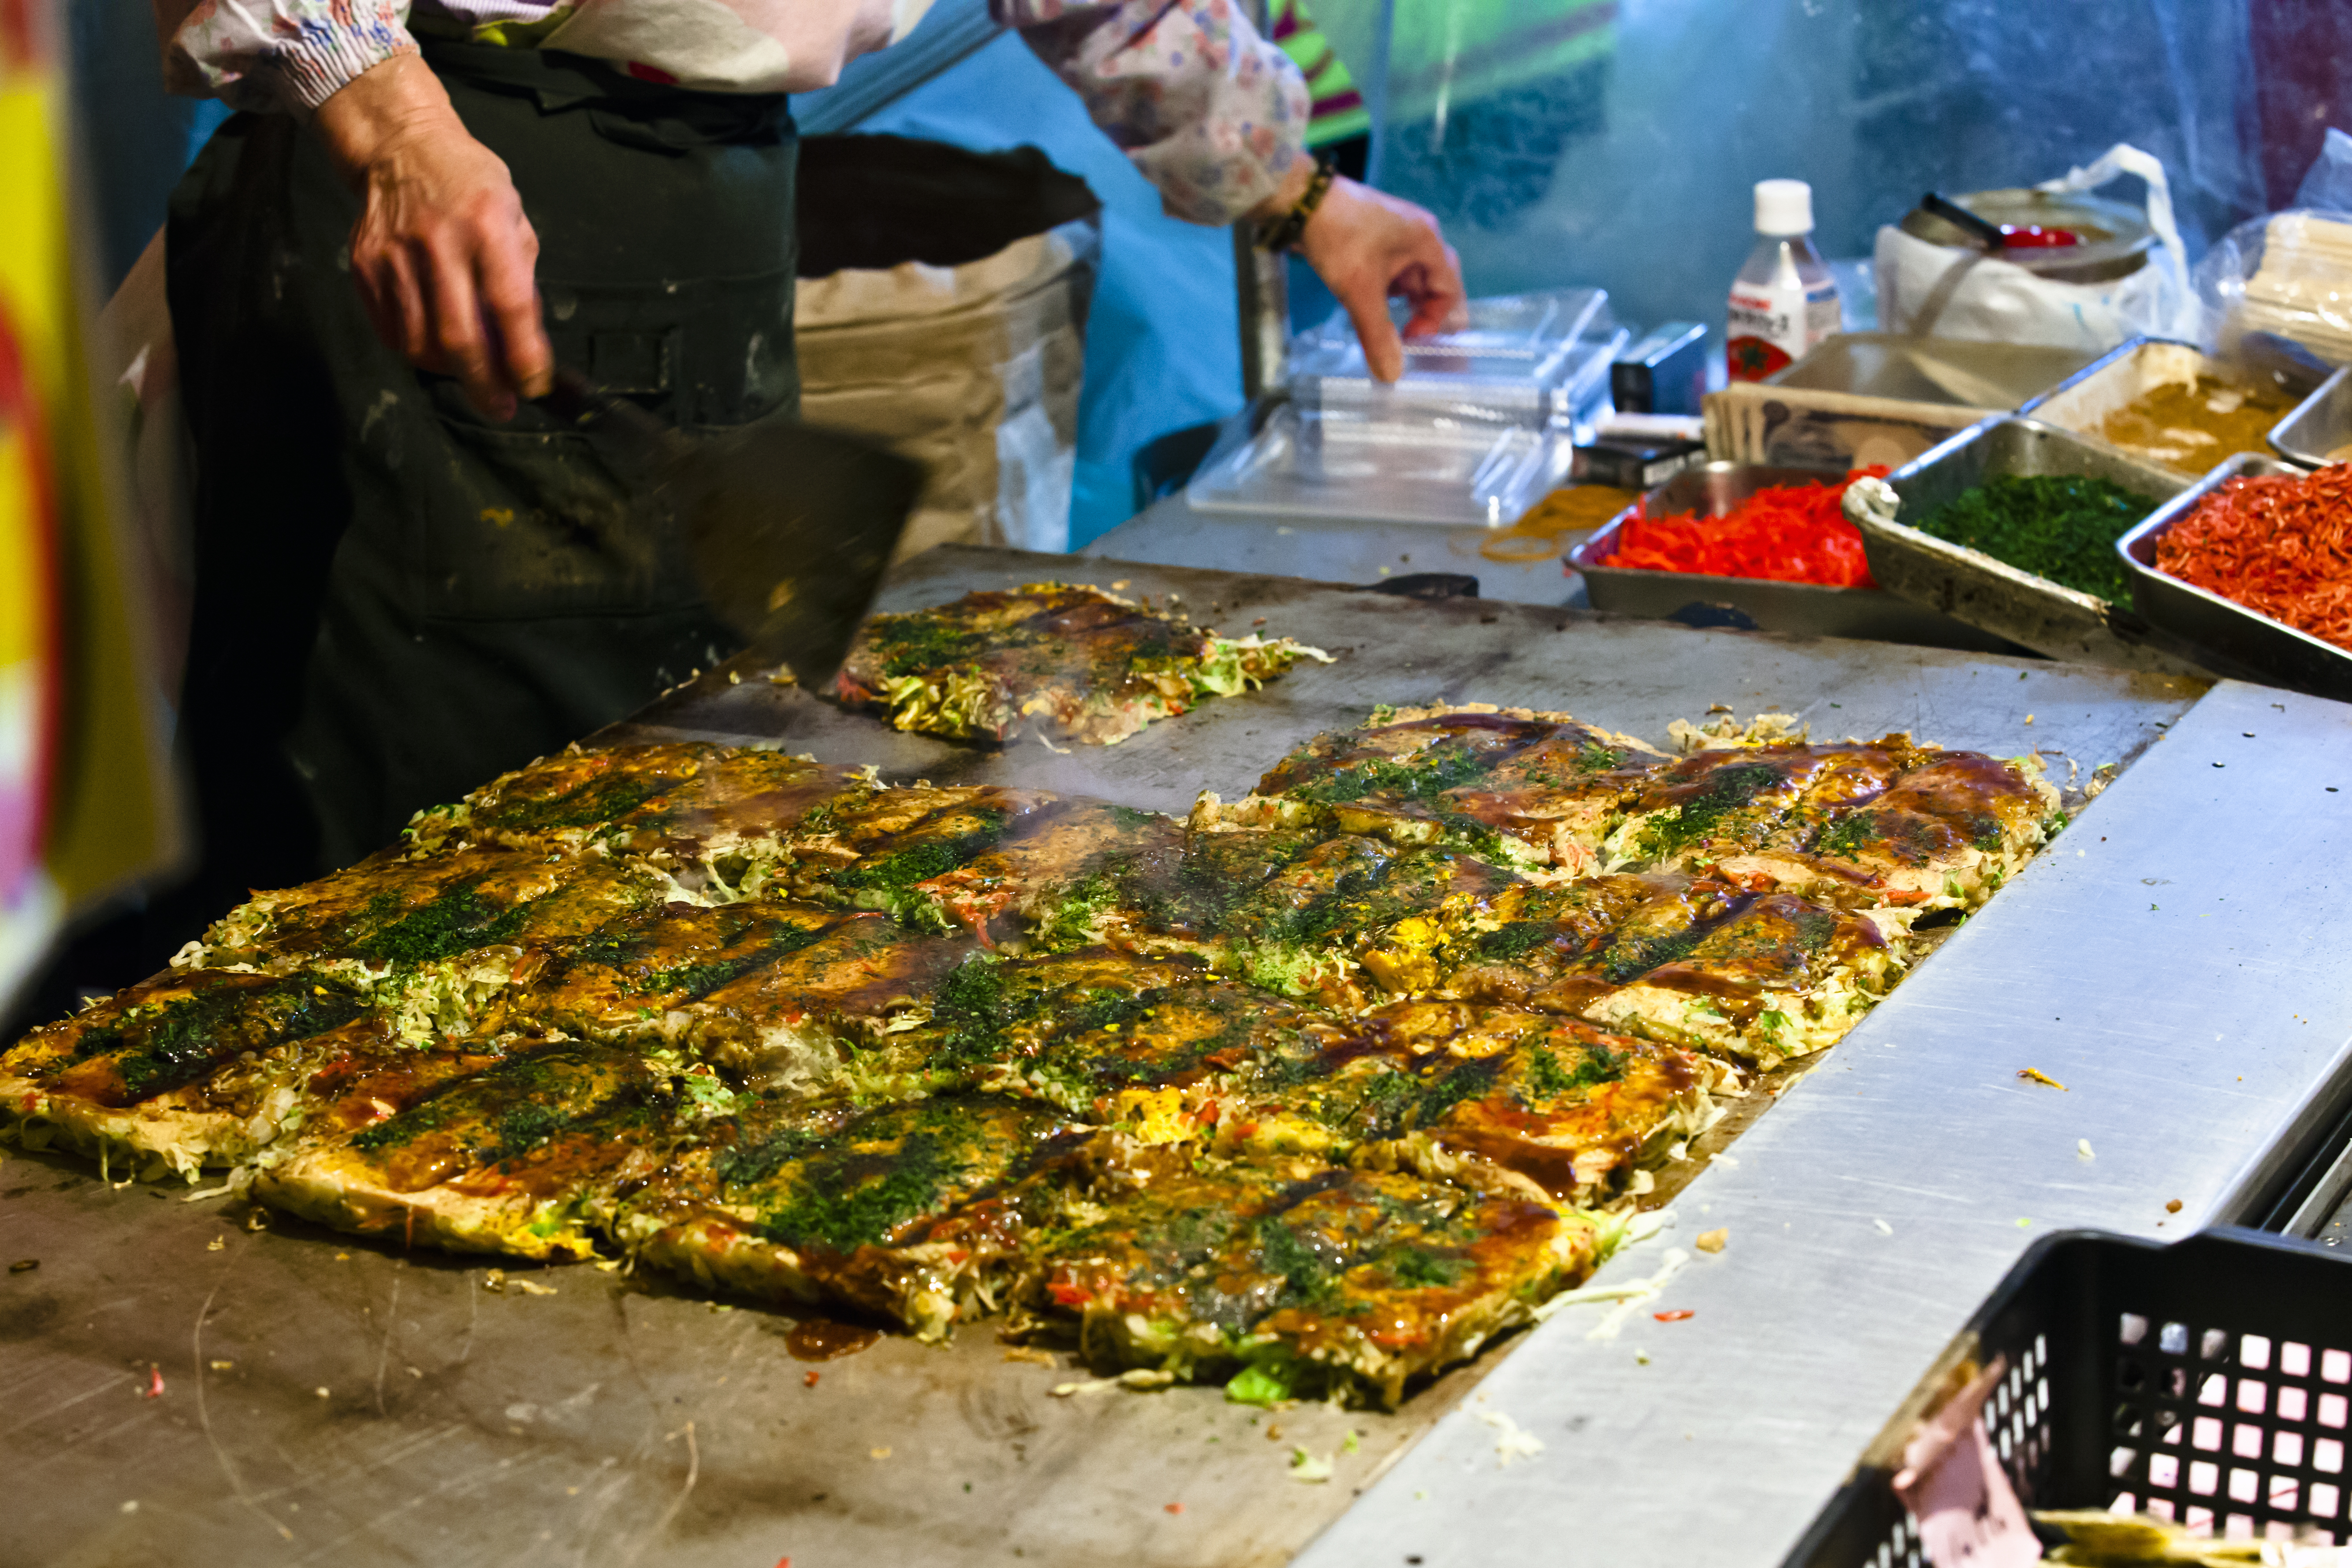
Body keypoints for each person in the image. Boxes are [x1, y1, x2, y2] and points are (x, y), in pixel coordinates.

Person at [26, 0, 1463, 1011]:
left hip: (702, 203)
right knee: (433, 905)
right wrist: (390, 119)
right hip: (444, 162)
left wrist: (1295, 187)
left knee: (672, 858)